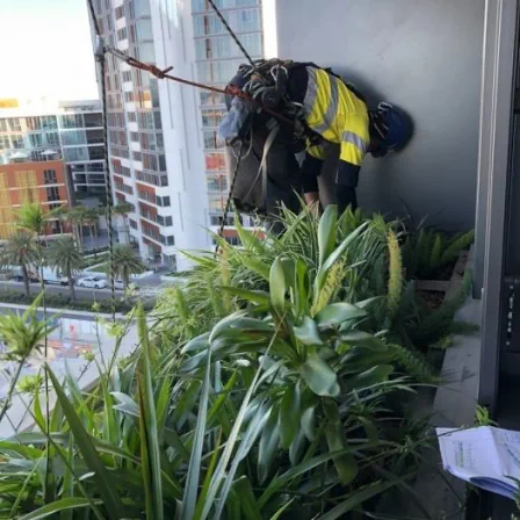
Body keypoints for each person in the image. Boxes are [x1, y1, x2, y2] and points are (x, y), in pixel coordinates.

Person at [219, 59, 413, 218]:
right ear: (382, 133)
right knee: (285, 191)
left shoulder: (331, 130)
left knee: (289, 184)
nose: (367, 150)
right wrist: (351, 233)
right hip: (260, 103)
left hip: (252, 99)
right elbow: (345, 187)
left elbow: (309, 175)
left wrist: (317, 219)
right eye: (374, 148)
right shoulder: (358, 121)